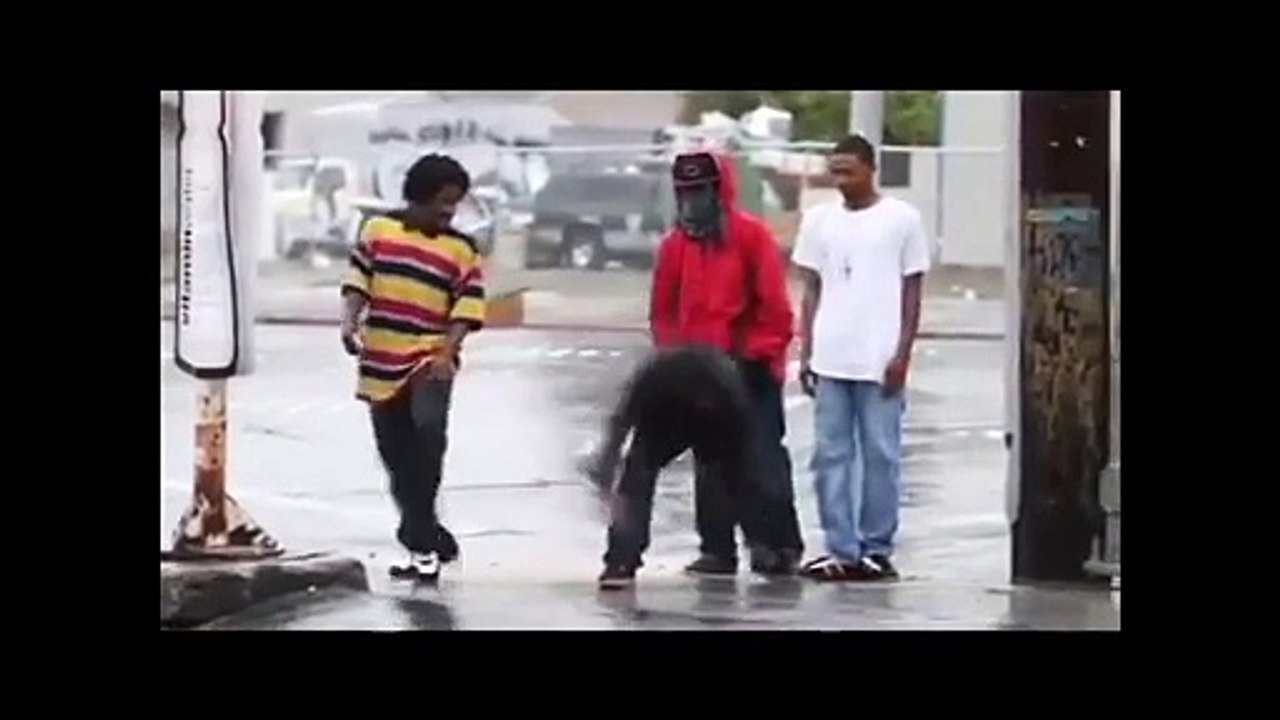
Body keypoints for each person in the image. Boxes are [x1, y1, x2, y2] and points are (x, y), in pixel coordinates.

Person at [647, 150, 804, 577]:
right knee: (710, 463)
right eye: (684, 192)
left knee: (762, 459)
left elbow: (775, 310)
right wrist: (677, 359)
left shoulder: (752, 237)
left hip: (752, 369)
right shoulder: (675, 246)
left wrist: (752, 355)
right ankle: (717, 550)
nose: (692, 200)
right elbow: (663, 312)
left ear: (719, 190)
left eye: (699, 190)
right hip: (700, 372)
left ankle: (777, 546)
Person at [339, 154, 485, 583]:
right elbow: (358, 281)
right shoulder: (379, 231)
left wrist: (446, 352)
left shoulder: (461, 249)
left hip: (429, 358)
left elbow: (468, 306)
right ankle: (426, 533)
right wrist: (349, 323)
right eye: (443, 201)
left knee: (428, 437)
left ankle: (418, 537)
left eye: (455, 203)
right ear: (418, 196)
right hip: (381, 358)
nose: (449, 211)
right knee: (396, 457)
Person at [792, 135, 931, 582]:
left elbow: (912, 291)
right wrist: (806, 352)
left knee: (881, 454)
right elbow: (811, 289)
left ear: (871, 169)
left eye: (849, 171)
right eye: (835, 171)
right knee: (830, 455)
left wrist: (902, 353)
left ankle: (876, 548)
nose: (841, 180)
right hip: (831, 355)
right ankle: (841, 548)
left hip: (879, 357)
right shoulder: (819, 220)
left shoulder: (902, 219)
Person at [586, 344, 783, 590]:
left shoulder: (729, 388)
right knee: (636, 476)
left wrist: (757, 539)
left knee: (726, 478)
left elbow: (745, 467)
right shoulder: (655, 376)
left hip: (719, 421)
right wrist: (606, 460)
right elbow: (622, 420)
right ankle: (622, 559)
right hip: (665, 421)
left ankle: (723, 552)